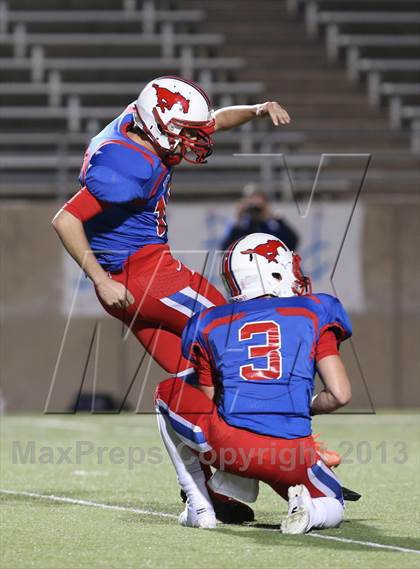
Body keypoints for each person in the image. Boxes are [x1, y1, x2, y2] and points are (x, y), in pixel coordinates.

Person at [52, 76, 291, 523]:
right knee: (241, 340)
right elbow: (65, 219)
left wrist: (257, 109)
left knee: (191, 380)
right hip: (147, 276)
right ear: (160, 127)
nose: (197, 142)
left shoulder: (143, 124)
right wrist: (100, 278)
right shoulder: (127, 166)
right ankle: (277, 465)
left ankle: (201, 495)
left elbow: (212, 122)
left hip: (133, 281)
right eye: (187, 134)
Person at [155, 232, 352, 531]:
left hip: (231, 449)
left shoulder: (210, 322)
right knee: (334, 502)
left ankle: (200, 505)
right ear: (274, 271)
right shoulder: (315, 310)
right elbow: (339, 395)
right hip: (293, 453)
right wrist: (297, 406)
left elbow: (208, 405)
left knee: (168, 391)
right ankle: (310, 511)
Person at [221, 185, 299, 252]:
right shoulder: (240, 225)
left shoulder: (272, 224)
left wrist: (272, 217)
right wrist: (238, 218)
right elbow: (225, 249)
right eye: (251, 200)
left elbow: (292, 242)